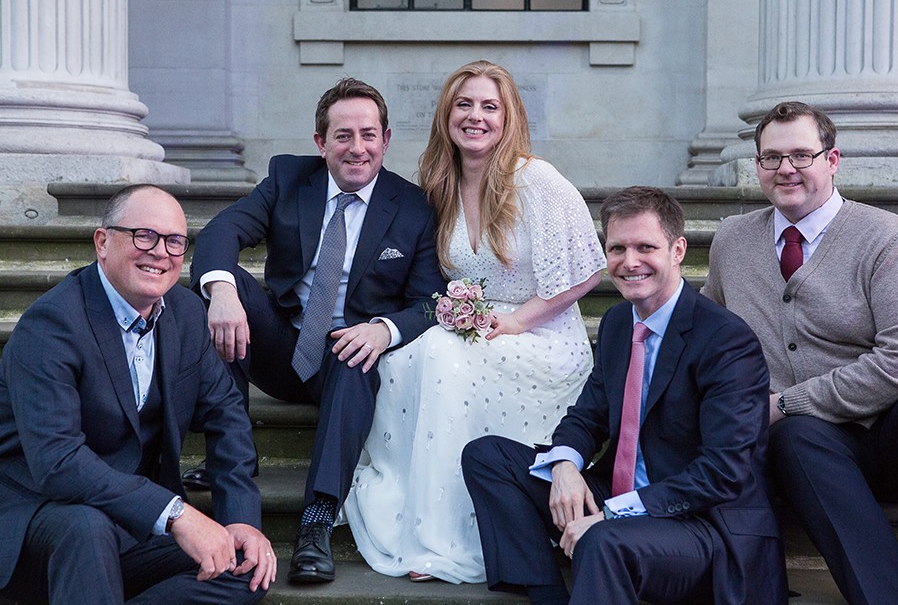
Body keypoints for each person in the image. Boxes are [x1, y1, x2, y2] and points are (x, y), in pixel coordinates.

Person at [343, 60, 605, 584]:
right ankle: (417, 519)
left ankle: (445, 540)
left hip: (543, 340)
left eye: (490, 106)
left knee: (440, 353)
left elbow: (587, 271)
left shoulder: (537, 179)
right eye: (464, 104)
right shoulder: (438, 185)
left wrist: (514, 321)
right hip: (477, 331)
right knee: (404, 355)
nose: (476, 116)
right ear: (447, 114)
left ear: (509, 118)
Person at [462, 186, 788, 605]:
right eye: (617, 248)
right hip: (620, 503)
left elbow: (723, 472)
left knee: (602, 540)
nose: (629, 262)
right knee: (488, 456)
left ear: (678, 250)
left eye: (645, 247)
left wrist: (612, 514)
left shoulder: (726, 340)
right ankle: (548, 596)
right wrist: (563, 464)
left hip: (704, 526)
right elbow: (588, 416)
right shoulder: (619, 323)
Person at [187, 77, 446, 584]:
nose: (358, 148)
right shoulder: (288, 180)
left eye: (369, 135)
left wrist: (384, 329)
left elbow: (431, 301)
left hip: (351, 359)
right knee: (224, 287)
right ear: (320, 143)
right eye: (343, 135)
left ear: (386, 141)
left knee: (356, 355)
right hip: (285, 346)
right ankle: (233, 459)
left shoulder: (414, 207)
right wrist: (220, 292)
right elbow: (223, 230)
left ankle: (316, 522)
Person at [701, 101, 898, 604]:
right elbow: (709, 337)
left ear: (833, 160)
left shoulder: (886, 237)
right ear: (757, 166)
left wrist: (784, 402)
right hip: (816, 452)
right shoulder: (732, 240)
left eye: (802, 154)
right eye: (772, 158)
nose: (786, 169)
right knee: (793, 438)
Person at [0, 185, 276, 605]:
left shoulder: (185, 314)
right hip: (41, 518)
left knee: (244, 565)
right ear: (103, 242)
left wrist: (241, 520)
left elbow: (227, 417)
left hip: (129, 527)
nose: (160, 252)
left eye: (174, 241)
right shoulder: (52, 325)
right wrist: (178, 514)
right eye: (143, 236)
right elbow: (57, 463)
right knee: (85, 527)